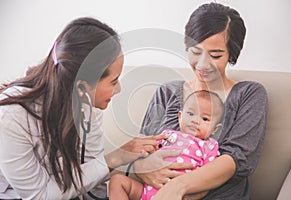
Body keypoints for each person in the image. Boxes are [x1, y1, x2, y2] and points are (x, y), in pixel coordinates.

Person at [0, 17, 166, 199]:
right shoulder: (11, 116)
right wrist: (117, 157)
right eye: (113, 81)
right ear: (81, 87)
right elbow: (40, 195)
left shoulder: (87, 105)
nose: (118, 89)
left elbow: (93, 181)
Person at [134, 2, 268, 200]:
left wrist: (178, 187)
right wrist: (142, 168)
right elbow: (140, 151)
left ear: (232, 54)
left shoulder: (249, 94)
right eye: (195, 52)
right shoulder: (168, 92)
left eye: (215, 55)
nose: (203, 64)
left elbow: (237, 160)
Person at [109, 90, 224, 200]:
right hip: (145, 192)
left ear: (215, 129)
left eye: (205, 118)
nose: (195, 120)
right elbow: (146, 152)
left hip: (178, 195)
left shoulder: (209, 146)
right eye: (191, 113)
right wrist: (142, 160)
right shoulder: (167, 135)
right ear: (180, 116)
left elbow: (210, 176)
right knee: (117, 181)